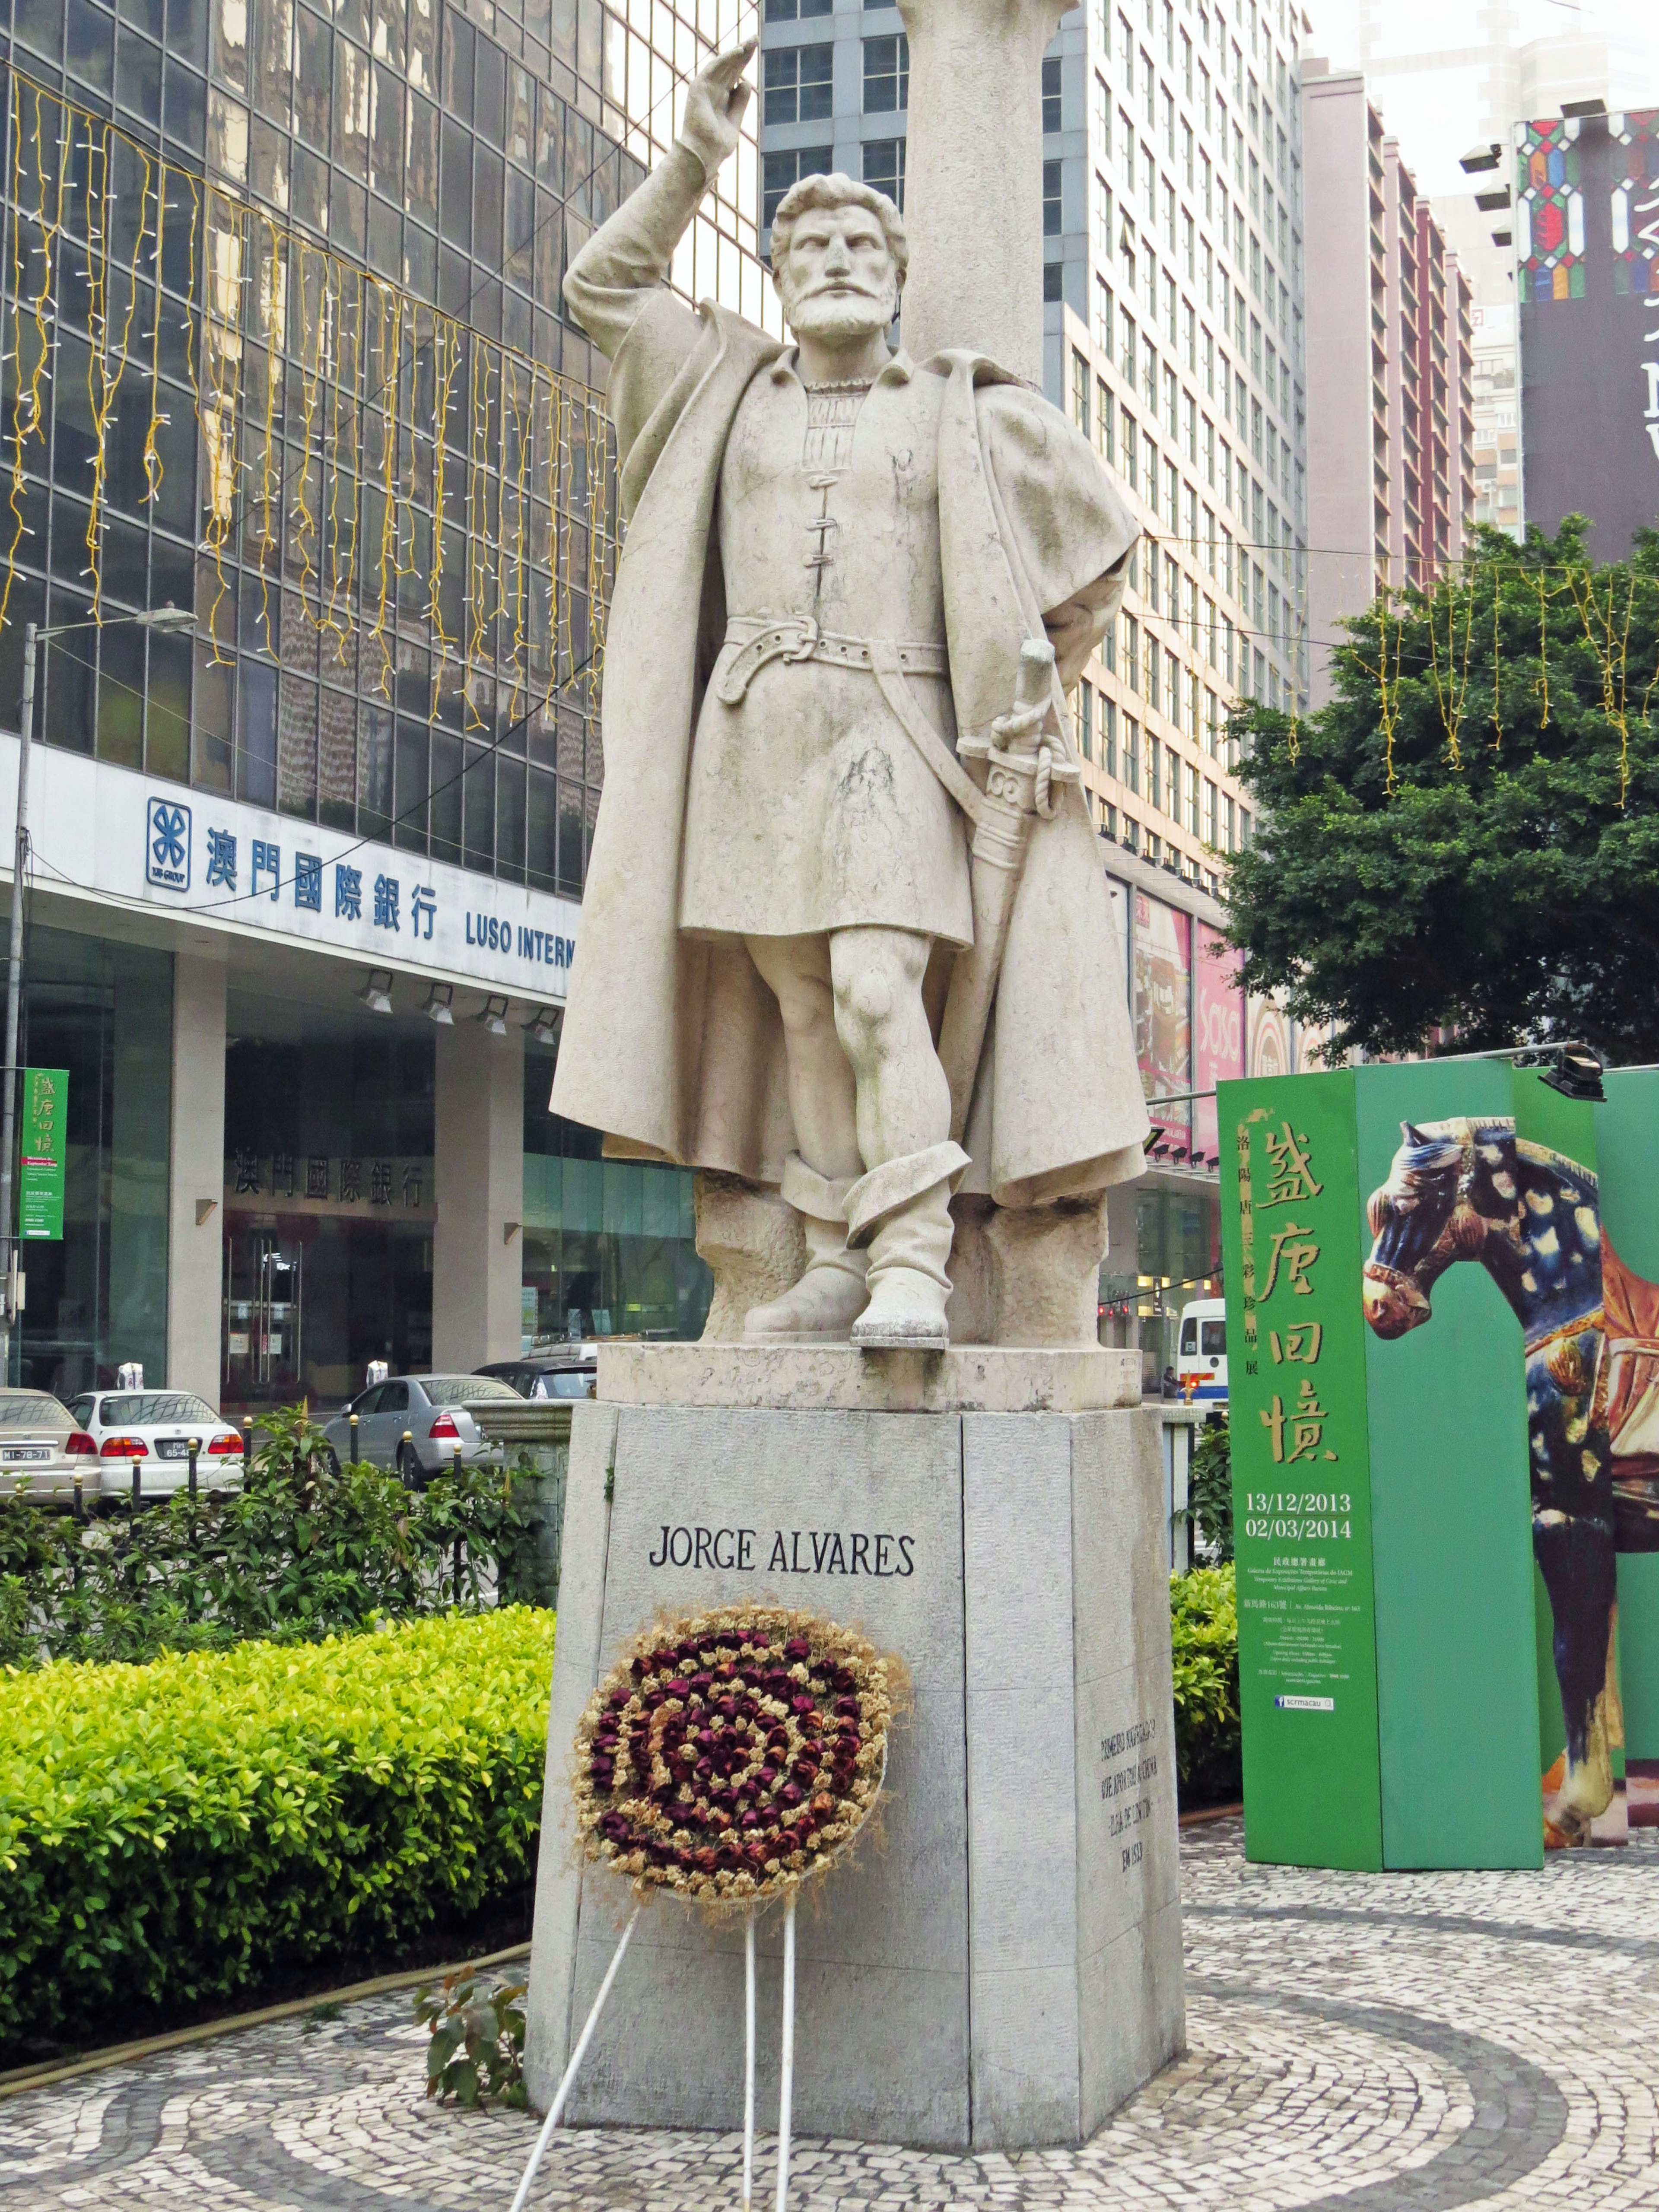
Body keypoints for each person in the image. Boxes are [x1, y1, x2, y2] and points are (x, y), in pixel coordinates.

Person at [551, 43, 1147, 1349]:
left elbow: (1096, 553)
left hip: (898, 734)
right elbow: (600, 285)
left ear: (896, 280)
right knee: (802, 1012)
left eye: (861, 249)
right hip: (754, 734)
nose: (834, 261)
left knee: (880, 990)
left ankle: (918, 1258)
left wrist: (1037, 683)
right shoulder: (724, 383)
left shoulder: (958, 411)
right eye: (809, 245)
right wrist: (696, 158)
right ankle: (833, 1253)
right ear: (774, 274)